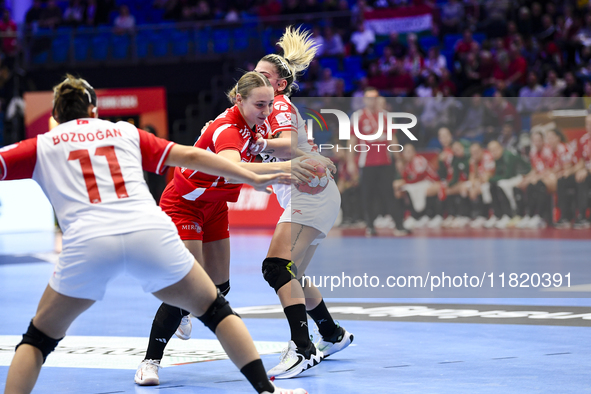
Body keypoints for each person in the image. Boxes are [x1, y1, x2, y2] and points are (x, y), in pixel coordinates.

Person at [1, 75, 304, 394]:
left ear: (56, 117)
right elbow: (190, 156)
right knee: (217, 310)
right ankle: (266, 391)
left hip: (88, 242)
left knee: (37, 340)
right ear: (93, 111)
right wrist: (252, 176)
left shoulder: (42, 145)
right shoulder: (124, 131)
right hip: (147, 231)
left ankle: (167, 336)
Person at [134, 71, 317, 386]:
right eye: (260, 104)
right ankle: (150, 362)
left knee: (220, 287)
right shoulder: (228, 129)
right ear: (239, 100)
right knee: (190, 288)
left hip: (215, 205)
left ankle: (185, 309)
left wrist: (309, 158)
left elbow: (274, 148)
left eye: (270, 104)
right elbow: (237, 167)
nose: (267, 111)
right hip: (184, 203)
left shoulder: (256, 125)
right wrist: (284, 169)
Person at [249, 26, 354, 378]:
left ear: (279, 84)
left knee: (277, 268)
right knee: (295, 273)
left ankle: (303, 348)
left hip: (309, 195)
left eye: (264, 76)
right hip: (310, 194)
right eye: (255, 73)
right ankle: (332, 334)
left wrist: (258, 148)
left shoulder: (277, 105)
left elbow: (289, 143)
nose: (255, 79)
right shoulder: (261, 110)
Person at [346, 87, 408, 237]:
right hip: (366, 162)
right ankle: (370, 226)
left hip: (385, 161)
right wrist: (350, 161)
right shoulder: (358, 116)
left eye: (374, 97)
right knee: (367, 195)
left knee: (389, 194)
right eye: (369, 97)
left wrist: (398, 159)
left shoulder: (386, 116)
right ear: (365, 100)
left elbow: (393, 139)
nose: (371, 100)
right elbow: (352, 140)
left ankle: (399, 225)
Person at [394, 144, 442, 229]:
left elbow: (417, 177)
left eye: (409, 152)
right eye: (405, 152)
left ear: (414, 152)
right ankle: (413, 216)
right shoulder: (407, 164)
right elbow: (406, 177)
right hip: (420, 183)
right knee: (404, 189)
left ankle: (428, 216)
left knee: (415, 188)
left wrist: (404, 182)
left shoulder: (419, 160)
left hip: (431, 181)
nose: (407, 154)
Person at [556, 114, 591, 229]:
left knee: (582, 179)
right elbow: (581, 162)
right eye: (587, 123)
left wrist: (585, 170)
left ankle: (583, 216)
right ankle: (565, 216)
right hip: (585, 171)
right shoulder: (583, 140)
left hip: (587, 173)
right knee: (563, 180)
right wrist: (569, 171)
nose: (589, 126)